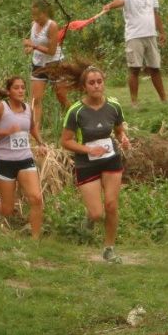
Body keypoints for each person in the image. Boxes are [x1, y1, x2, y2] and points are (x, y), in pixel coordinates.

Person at [60, 66, 131, 263]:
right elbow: (65, 141)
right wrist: (89, 150)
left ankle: (109, 248)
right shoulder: (76, 111)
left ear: (104, 83)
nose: (96, 86)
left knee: (111, 205)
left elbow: (118, 131)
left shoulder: (114, 106)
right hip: (86, 164)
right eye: (92, 83)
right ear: (84, 87)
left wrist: (124, 138)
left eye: (99, 81)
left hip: (111, 160)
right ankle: (90, 217)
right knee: (97, 213)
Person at [0, 76, 45, 239]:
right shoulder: (1, 108)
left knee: (36, 198)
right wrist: (6, 132)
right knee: (8, 209)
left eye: (23, 87)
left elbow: (31, 128)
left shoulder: (28, 108)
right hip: (4, 161)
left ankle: (35, 241)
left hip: (25, 159)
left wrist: (41, 143)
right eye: (16, 88)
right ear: (9, 91)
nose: (21, 90)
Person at [102, 0, 168, 108]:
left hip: (151, 35)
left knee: (155, 68)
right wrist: (110, 5)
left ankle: (164, 99)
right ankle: (134, 102)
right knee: (134, 69)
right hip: (134, 37)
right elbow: (120, 1)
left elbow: (155, 13)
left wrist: (162, 32)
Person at [23, 0, 70, 130]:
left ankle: (73, 118)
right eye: (33, 15)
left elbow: (51, 51)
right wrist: (29, 48)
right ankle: (35, 131)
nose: (35, 18)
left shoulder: (52, 25)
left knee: (61, 96)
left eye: (37, 15)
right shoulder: (33, 24)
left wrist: (33, 45)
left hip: (54, 63)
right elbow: (35, 44)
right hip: (38, 64)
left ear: (45, 13)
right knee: (35, 100)